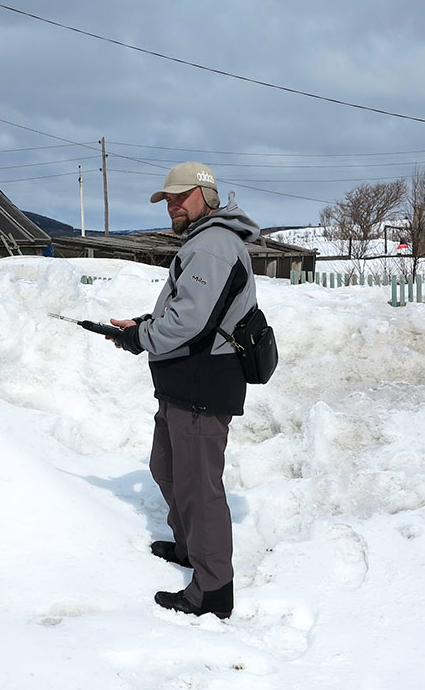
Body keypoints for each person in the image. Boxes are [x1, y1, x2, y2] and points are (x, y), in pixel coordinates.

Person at [109, 161, 260, 620]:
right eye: (168, 198)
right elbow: (193, 313)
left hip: (203, 384)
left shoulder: (213, 245)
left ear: (206, 196)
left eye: (180, 196)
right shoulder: (202, 242)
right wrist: (145, 325)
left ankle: (213, 589)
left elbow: (190, 322)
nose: (171, 204)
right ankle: (190, 548)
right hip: (184, 381)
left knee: (199, 487)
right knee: (167, 468)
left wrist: (141, 337)